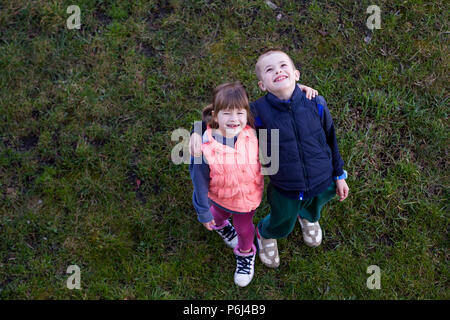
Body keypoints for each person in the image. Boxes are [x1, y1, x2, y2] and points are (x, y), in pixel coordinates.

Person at [190, 49, 349, 269]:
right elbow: (224, 119)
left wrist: (339, 174)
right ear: (262, 85)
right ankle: (267, 234)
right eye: (269, 70)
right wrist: (197, 131)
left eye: (283, 66)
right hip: (285, 185)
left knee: (315, 205)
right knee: (282, 219)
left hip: (323, 178)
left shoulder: (317, 103)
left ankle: (309, 217)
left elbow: (331, 138)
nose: (278, 71)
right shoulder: (257, 112)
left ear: (296, 74)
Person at [189, 81, 263, 287]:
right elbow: (200, 183)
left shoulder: (252, 130)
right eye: (227, 114)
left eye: (239, 113)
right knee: (217, 216)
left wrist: (299, 90)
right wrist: (203, 212)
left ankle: (246, 253)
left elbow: (275, 105)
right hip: (219, 198)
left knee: (244, 229)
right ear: (215, 115)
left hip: (246, 200)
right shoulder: (203, 148)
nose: (234, 119)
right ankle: (221, 225)